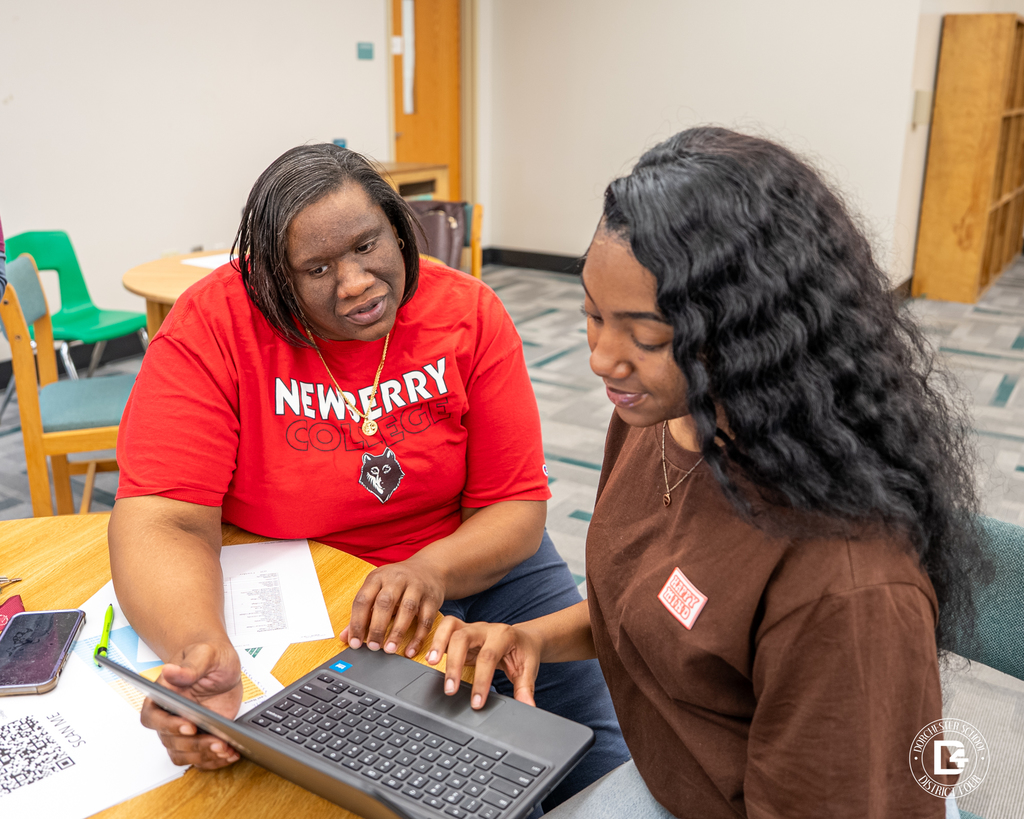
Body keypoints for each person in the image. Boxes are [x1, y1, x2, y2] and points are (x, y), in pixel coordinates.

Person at [427, 128, 988, 818]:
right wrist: (533, 637)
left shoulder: (845, 583)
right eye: (592, 317)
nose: (603, 358)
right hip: (690, 769)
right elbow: (664, 611)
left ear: (755, 332)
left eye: (648, 336)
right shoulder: (660, 416)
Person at [108, 144, 628, 808]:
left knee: (599, 764)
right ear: (271, 278)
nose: (354, 282)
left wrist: (430, 571)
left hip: (484, 564)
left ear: (398, 227)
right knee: (374, 781)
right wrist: (198, 643)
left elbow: (515, 508)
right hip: (321, 587)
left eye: (366, 246)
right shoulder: (213, 327)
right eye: (316, 268)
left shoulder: (467, 311)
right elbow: (164, 517)